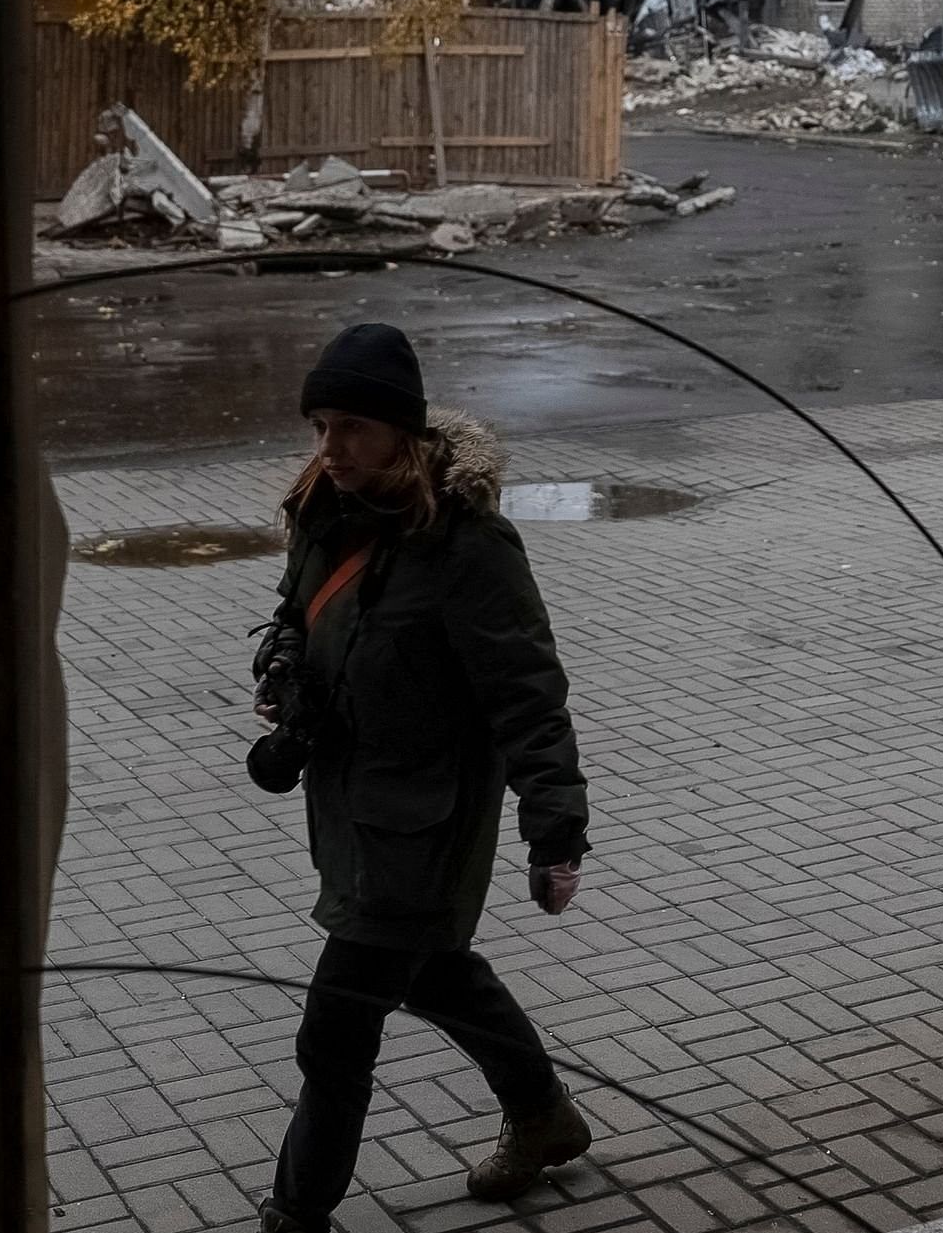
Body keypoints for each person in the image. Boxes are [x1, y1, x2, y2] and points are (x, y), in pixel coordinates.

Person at [246, 322, 591, 1233]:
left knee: (336, 1028)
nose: (332, 447)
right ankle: (546, 1116)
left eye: (353, 427)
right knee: (437, 973)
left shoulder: (468, 544)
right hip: (354, 809)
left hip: (428, 826)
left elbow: (529, 693)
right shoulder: (325, 506)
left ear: (405, 431)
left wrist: (555, 828)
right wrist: (286, 659)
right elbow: (296, 605)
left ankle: (297, 1212)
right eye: (321, 424)